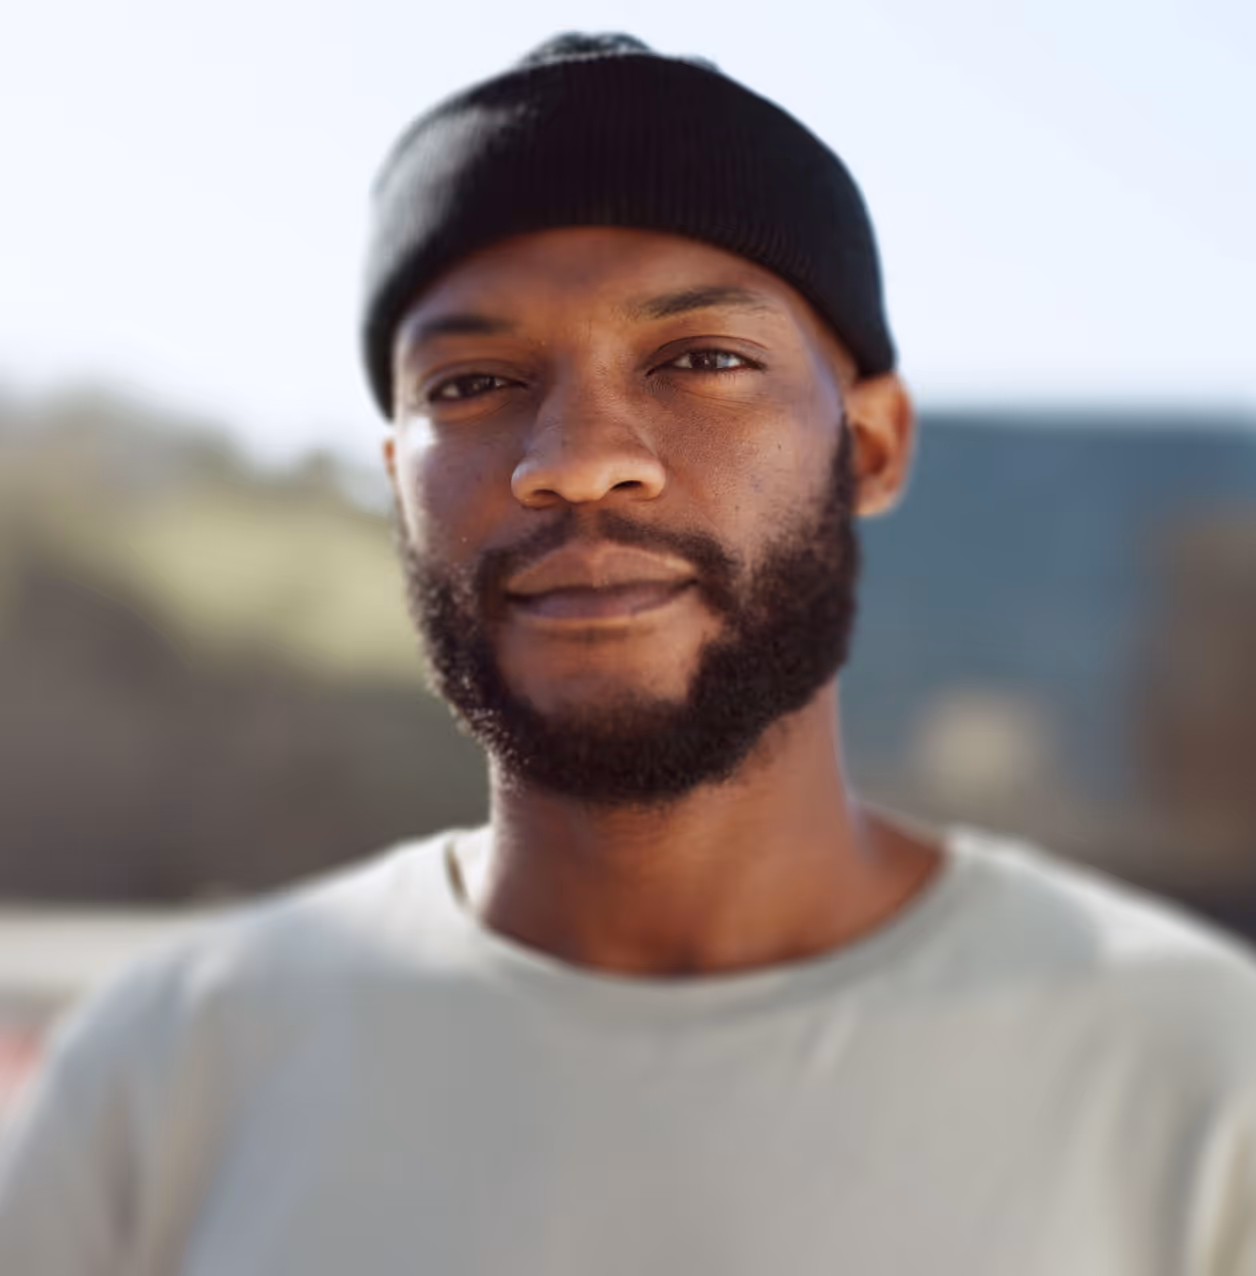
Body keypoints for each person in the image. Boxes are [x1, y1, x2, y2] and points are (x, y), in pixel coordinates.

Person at [1, 31, 1254, 1276]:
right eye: (471, 382)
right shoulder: (166, 1072)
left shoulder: (1194, 1075)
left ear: (867, 446)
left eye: (701, 360)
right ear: (397, 481)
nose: (575, 457)